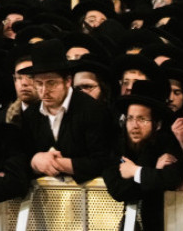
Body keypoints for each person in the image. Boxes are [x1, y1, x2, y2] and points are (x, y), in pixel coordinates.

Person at [20, 39, 116, 182]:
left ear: (68, 81)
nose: (44, 91)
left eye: (51, 83)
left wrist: (57, 164)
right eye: (39, 84)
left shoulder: (93, 110)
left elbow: (103, 161)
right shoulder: (30, 114)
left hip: (90, 198)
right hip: (46, 200)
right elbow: (20, 158)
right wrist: (34, 161)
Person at [102, 78, 183, 231]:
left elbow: (172, 179)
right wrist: (153, 172)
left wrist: (135, 171)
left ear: (157, 124)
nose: (134, 126)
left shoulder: (166, 141)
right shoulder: (117, 144)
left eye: (142, 119)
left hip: (164, 223)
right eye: (130, 118)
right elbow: (118, 190)